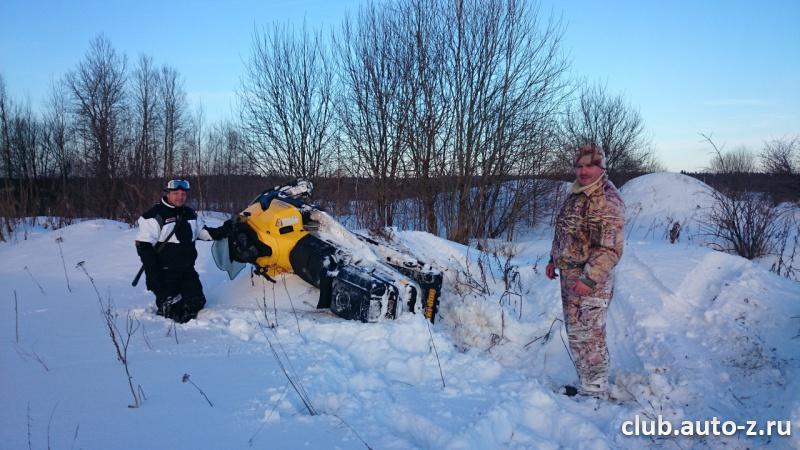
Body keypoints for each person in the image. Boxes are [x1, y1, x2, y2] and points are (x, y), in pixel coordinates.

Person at [546, 144, 625, 398]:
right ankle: (589, 384)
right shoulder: (578, 193)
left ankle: (595, 390)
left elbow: (609, 250)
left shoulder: (605, 200)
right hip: (571, 277)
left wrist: (589, 279)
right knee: (577, 334)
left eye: (589, 165)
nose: (583, 171)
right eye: (579, 166)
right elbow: (566, 232)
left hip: (589, 281)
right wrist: (553, 260)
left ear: (601, 167)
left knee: (590, 335)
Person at [135, 179, 228, 323]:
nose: (180, 197)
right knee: (173, 313)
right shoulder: (154, 215)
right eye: (176, 193)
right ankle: (167, 330)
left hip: (187, 269)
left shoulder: (190, 213)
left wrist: (225, 231)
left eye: (183, 194)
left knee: (197, 303)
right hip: (165, 272)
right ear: (168, 193)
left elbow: (202, 233)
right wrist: (153, 276)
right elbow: (144, 246)